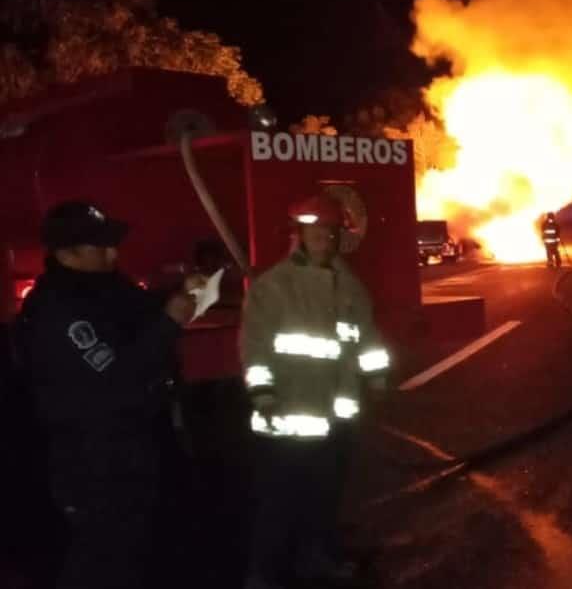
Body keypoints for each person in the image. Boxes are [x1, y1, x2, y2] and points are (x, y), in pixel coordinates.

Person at [11, 200, 200, 588]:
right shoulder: (59, 309)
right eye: (100, 246)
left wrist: (180, 293)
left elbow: (139, 309)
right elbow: (117, 375)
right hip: (91, 456)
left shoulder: (106, 285)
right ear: (67, 254)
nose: (113, 253)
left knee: (132, 548)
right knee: (100, 554)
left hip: (131, 442)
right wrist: (169, 324)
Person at [241, 192, 390, 589]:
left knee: (325, 495)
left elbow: (366, 338)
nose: (324, 240)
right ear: (298, 236)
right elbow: (254, 347)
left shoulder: (350, 287)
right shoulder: (274, 287)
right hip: (287, 414)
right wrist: (263, 393)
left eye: (330, 233)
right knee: (279, 499)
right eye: (316, 233)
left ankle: (317, 560)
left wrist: (376, 378)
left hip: (336, 416)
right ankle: (263, 574)